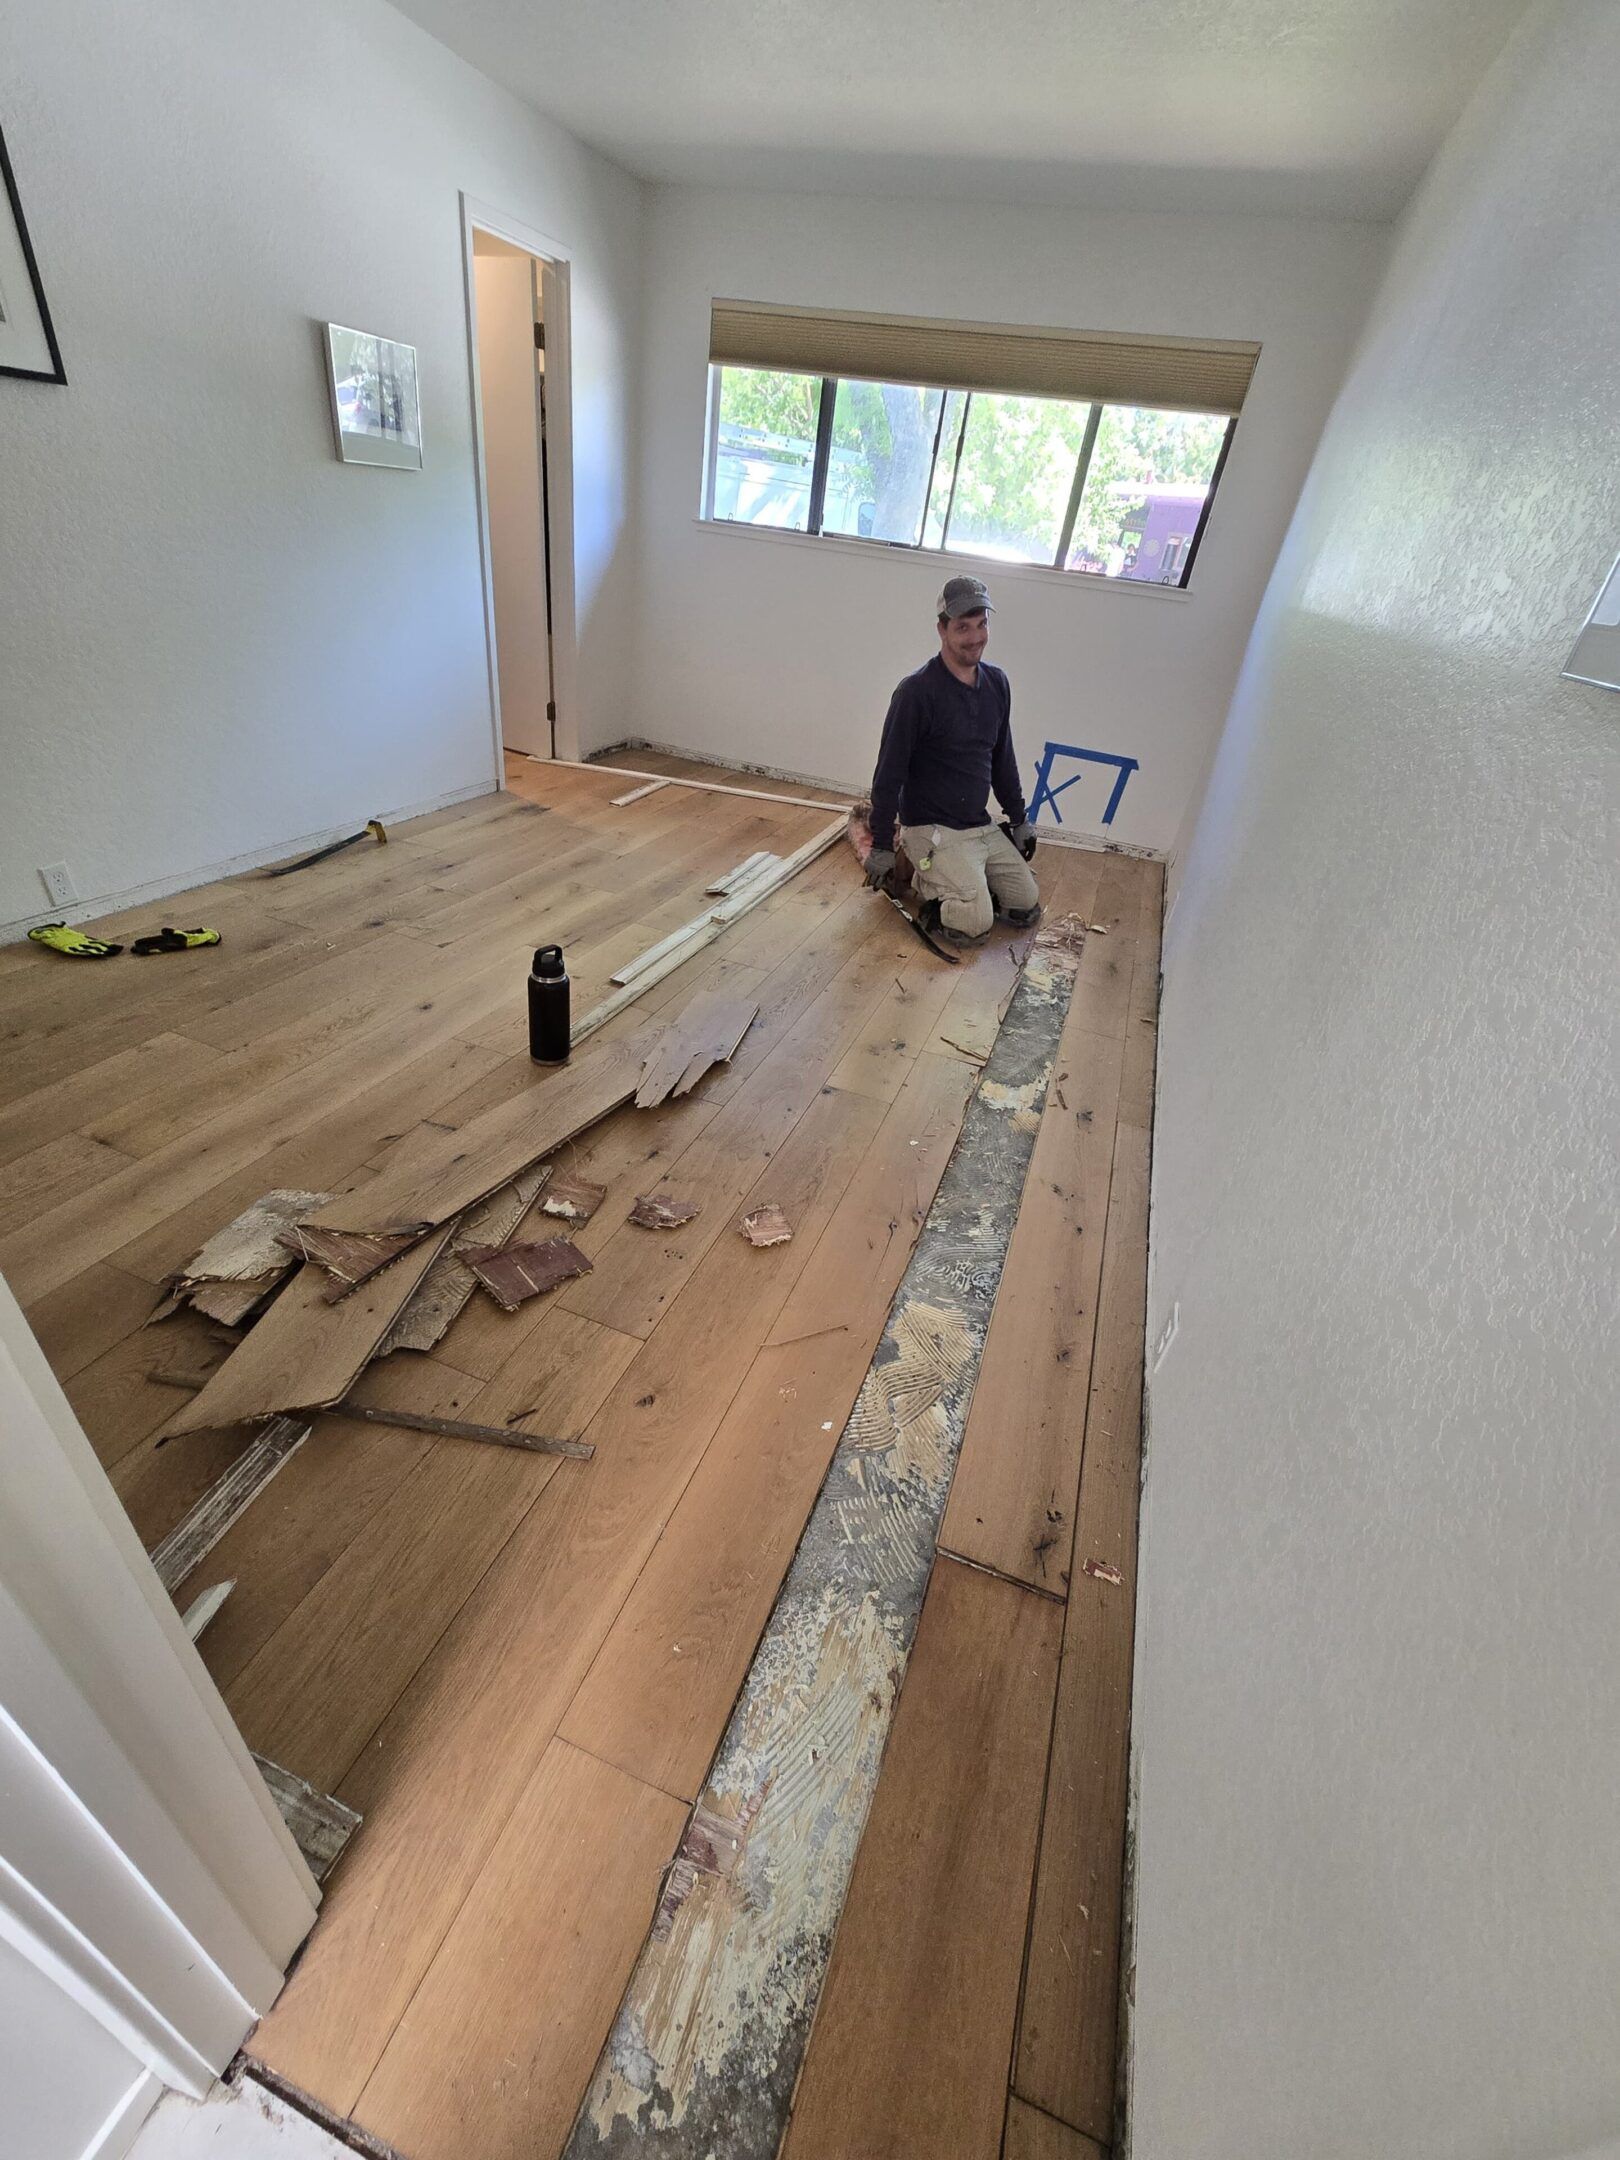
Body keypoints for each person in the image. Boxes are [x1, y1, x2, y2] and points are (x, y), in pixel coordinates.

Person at [864, 575, 1039, 943]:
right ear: (942, 629)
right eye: (963, 627)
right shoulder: (916, 693)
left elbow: (1002, 758)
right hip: (931, 828)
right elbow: (889, 773)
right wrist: (880, 843)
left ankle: (965, 881)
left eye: (982, 625)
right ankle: (924, 879)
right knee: (973, 925)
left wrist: (1019, 818)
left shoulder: (997, 683)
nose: (975, 637)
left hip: (978, 824)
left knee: (1025, 904)